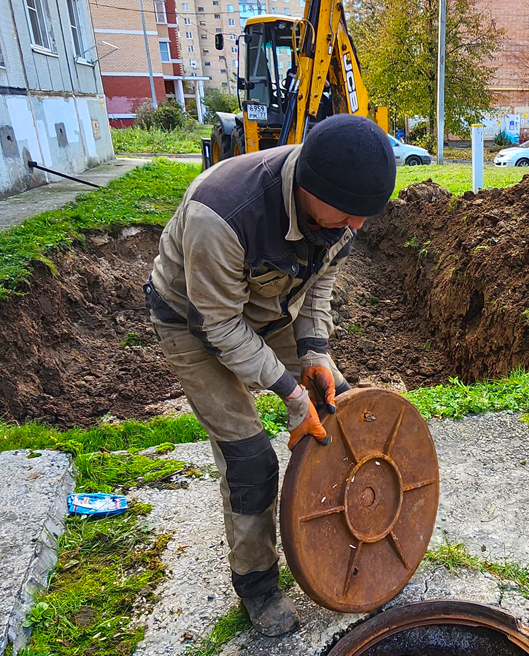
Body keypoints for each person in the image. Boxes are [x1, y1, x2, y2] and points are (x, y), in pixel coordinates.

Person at [144, 114, 396, 636]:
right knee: (250, 460)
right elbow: (218, 327)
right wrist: (288, 394)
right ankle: (256, 584)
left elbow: (316, 288)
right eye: (349, 214)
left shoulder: (339, 214)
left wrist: (314, 356)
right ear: (308, 187)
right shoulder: (223, 213)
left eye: (364, 216)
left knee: (341, 409)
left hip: (266, 308)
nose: (357, 226)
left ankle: (348, 534)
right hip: (193, 321)